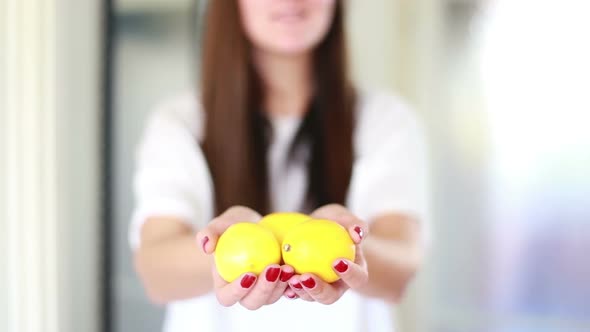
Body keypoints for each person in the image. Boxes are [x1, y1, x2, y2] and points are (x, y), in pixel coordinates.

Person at [129, 1, 429, 331]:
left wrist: (343, 244)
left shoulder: (385, 120)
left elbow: (402, 265)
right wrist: (232, 244)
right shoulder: (180, 123)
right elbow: (154, 271)